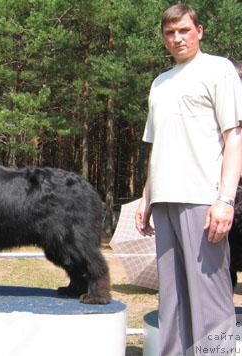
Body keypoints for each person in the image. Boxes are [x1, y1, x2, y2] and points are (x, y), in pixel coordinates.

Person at [135, 4, 242, 356]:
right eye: (170, 32)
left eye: (184, 30)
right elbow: (157, 146)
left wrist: (226, 200)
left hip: (203, 200)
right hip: (164, 200)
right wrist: (146, 196)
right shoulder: (160, 83)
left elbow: (235, 137)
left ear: (199, 30)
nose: (177, 38)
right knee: (172, 301)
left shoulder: (219, 70)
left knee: (210, 301)